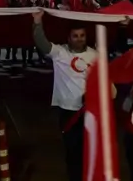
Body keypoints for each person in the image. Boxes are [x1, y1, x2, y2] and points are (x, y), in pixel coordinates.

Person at [32, 9, 117, 181]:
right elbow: (42, 43)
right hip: (68, 112)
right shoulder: (60, 53)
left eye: (82, 35)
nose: (79, 39)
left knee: (90, 150)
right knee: (72, 152)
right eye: (75, 36)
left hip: (90, 112)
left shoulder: (95, 55)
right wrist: (37, 22)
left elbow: (103, 80)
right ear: (68, 38)